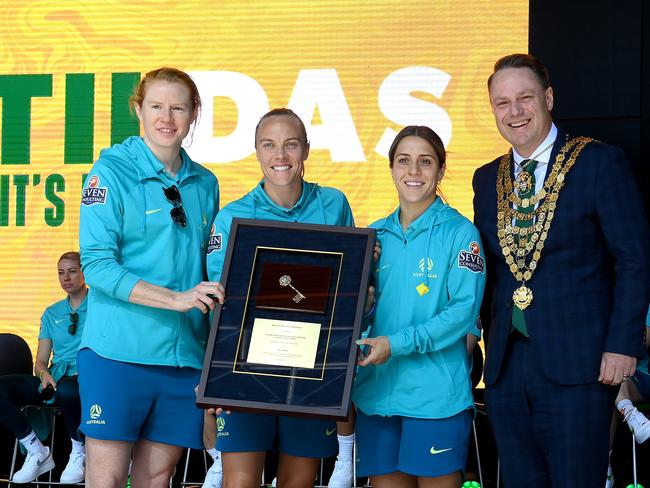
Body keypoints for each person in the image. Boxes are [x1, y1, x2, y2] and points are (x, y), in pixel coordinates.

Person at [472, 53, 650, 487]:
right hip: (507, 368)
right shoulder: (485, 178)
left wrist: (623, 344)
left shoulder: (598, 163)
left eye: (525, 98)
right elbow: (488, 271)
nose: (514, 112)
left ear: (548, 98)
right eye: (502, 103)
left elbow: (634, 257)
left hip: (583, 365)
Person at [77, 67, 223, 488]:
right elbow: (98, 266)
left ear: (194, 113)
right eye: (157, 106)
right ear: (138, 109)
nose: (167, 117)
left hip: (183, 360)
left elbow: (212, 269)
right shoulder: (110, 173)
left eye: (178, 107)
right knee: (105, 477)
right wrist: (176, 299)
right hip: (118, 353)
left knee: (157, 477)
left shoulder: (206, 183)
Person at [206, 108, 353, 488]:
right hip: (245, 370)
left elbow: (349, 291)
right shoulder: (232, 217)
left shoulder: (334, 205)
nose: (280, 155)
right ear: (256, 151)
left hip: (310, 371)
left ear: (306, 149)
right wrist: (216, 376)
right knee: (239, 483)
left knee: (298, 482)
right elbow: (223, 306)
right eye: (269, 145)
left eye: (291, 144)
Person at [352, 125, 486, 488]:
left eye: (425, 162)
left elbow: (461, 315)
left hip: (436, 400)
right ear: (392, 168)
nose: (414, 172)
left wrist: (396, 344)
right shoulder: (372, 237)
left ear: (440, 170)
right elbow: (357, 315)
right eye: (404, 161)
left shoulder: (461, 234)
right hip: (377, 397)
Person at [0, 251, 87, 484]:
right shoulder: (51, 312)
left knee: (70, 389)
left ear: (84, 272)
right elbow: (40, 361)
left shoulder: (101, 307)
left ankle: (80, 453)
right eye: (60, 273)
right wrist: (44, 374)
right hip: (56, 377)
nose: (65, 278)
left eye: (72, 271)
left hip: (87, 377)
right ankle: (36, 449)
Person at [606, 305, 650, 487]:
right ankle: (631, 414)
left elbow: (645, 340)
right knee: (608, 380)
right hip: (626, 377)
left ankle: (631, 413)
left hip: (642, 374)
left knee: (615, 371)